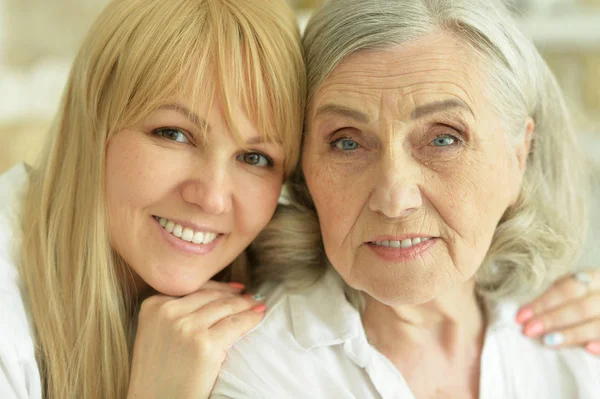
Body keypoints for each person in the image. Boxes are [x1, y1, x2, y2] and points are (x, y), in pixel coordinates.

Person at [210, 0, 600, 397]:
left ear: (520, 154)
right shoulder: (258, 366)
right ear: (304, 170)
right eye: (346, 142)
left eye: (444, 139)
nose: (394, 199)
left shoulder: (580, 344)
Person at [0, 0, 305, 398]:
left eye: (254, 158)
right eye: (174, 134)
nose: (212, 198)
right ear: (94, 121)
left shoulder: (296, 296)